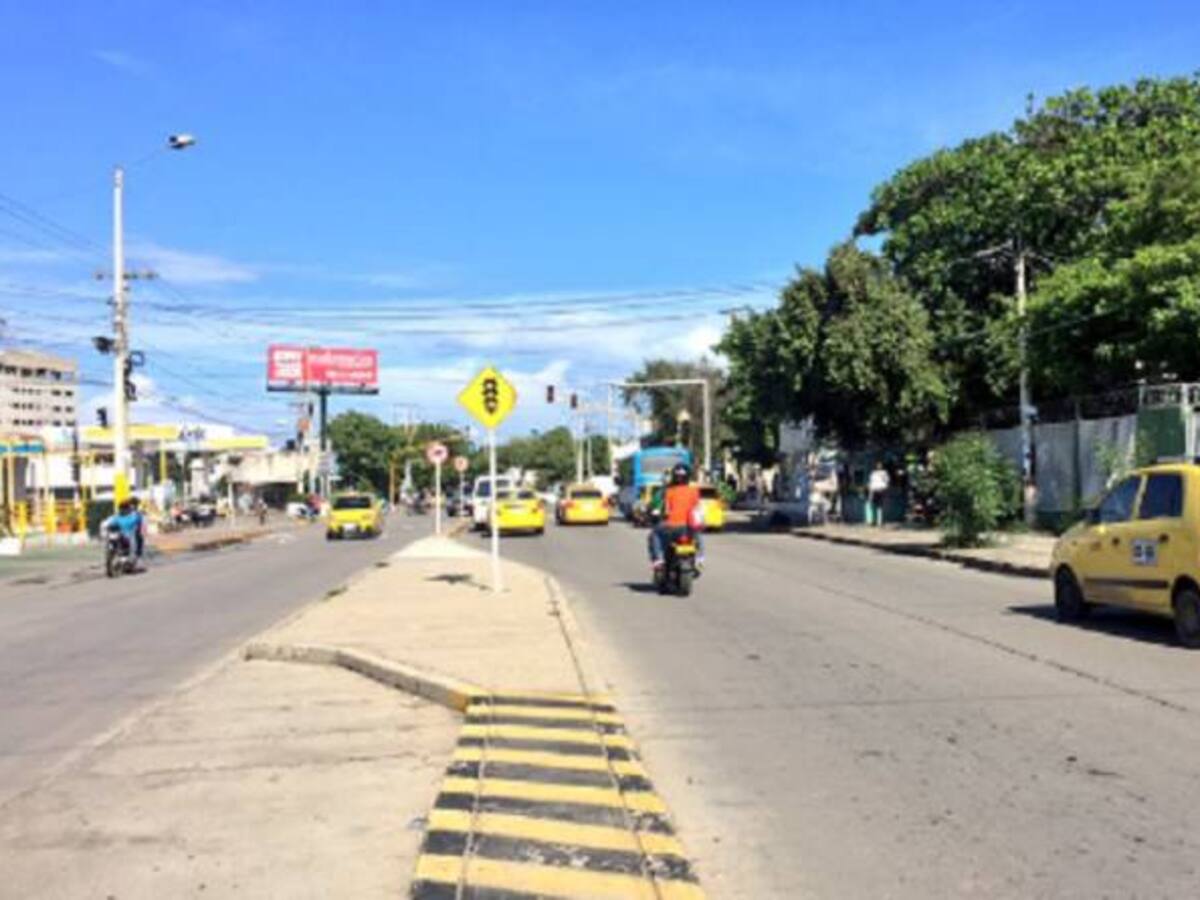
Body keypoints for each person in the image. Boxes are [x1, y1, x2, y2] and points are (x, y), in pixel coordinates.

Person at [648, 463, 704, 571]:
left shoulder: (668, 491)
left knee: (654, 534)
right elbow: (697, 509)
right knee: (698, 534)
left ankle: (659, 559)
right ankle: (700, 558)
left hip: (671, 527)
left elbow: (664, 509)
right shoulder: (694, 491)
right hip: (689, 528)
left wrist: (655, 513)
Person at [868, 461, 890, 527]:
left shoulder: (884, 473)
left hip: (881, 490)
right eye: (878, 465)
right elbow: (871, 482)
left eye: (880, 465)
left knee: (880, 506)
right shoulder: (873, 473)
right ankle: (872, 521)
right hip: (874, 490)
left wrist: (884, 488)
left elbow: (887, 481)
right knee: (872, 506)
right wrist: (871, 490)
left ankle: (880, 522)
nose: (879, 466)